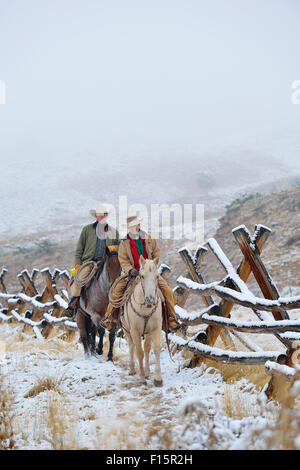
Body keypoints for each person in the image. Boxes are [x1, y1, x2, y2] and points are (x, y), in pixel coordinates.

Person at [104, 215, 180, 331]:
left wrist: (152, 266)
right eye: (130, 227)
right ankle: (109, 317)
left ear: (139, 226)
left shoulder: (149, 239)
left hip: (149, 273)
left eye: (134, 226)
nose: (132, 228)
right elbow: (123, 259)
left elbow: (156, 253)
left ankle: (171, 318)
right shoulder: (124, 243)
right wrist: (130, 269)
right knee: (117, 291)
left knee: (167, 291)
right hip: (132, 274)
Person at [65, 204, 120, 317]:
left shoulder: (114, 231)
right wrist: (78, 265)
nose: (101, 216)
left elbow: (120, 247)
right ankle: (74, 302)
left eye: (104, 214)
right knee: (79, 279)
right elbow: (79, 249)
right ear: (96, 216)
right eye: (99, 215)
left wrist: (112, 249)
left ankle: (122, 304)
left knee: (121, 281)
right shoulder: (87, 230)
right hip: (90, 262)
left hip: (108, 262)